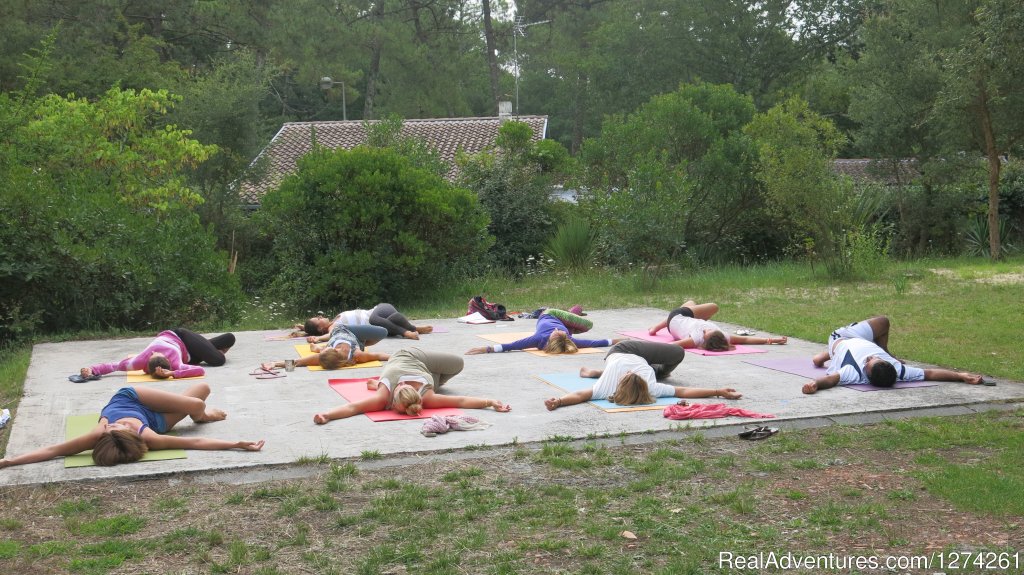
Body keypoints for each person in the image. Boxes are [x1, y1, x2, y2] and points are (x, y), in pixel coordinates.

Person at [0, 384, 264, 468]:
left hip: (133, 397)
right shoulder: (152, 436)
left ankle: (200, 414)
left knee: (197, 400)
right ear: (137, 437)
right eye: (123, 427)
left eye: (115, 425)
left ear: (104, 433)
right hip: (156, 421)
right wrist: (237, 444)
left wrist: (9, 461)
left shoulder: (96, 434)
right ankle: (201, 415)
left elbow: (53, 450)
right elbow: (195, 443)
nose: (120, 423)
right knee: (199, 399)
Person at [313, 348, 511, 424]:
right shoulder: (425, 398)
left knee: (458, 363)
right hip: (417, 366)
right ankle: (377, 383)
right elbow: (352, 407)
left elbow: (354, 407)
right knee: (437, 383)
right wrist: (327, 415)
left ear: (391, 400)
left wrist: (492, 402)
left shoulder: (386, 397)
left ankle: (377, 383)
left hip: (417, 363)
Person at [802, 316, 984, 394]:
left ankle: (829, 353)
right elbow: (930, 373)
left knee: (818, 361)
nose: (869, 358)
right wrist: (961, 376)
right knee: (883, 322)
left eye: (868, 362)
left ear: (867, 374)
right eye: (875, 358)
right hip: (863, 339)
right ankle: (829, 355)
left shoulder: (854, 373)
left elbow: (831, 380)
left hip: (841, 339)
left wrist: (815, 384)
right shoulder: (899, 370)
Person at [543, 340, 742, 410]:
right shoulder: (652, 387)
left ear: (619, 385)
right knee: (673, 358)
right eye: (631, 374)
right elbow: (684, 390)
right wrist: (718, 391)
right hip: (634, 355)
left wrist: (559, 401)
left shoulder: (605, 390)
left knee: (676, 354)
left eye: (627, 375)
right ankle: (597, 371)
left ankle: (598, 372)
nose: (629, 372)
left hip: (623, 352)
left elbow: (579, 396)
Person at [79, 328, 236, 380]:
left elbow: (113, 366)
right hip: (187, 355)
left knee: (217, 359)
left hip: (181, 337)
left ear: (150, 355)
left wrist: (92, 369)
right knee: (226, 346)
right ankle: (205, 347)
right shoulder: (175, 363)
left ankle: (204, 347)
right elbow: (200, 370)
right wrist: (174, 373)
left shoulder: (139, 361)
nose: (154, 351)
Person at [648, 300, 787, 351]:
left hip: (676, 317)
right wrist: (771, 340)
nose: (707, 328)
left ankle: (657, 326)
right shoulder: (723, 336)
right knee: (696, 309)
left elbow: (673, 345)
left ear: (704, 339)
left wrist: (647, 348)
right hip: (681, 322)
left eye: (705, 332)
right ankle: (658, 326)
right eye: (709, 329)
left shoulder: (696, 338)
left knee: (697, 304)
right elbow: (745, 340)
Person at [466, 308, 616, 355]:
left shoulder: (537, 338)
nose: (556, 329)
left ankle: (575, 310)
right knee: (587, 325)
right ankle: (575, 310)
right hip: (553, 314)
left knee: (576, 323)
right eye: (560, 332)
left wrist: (486, 349)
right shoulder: (570, 340)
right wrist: (622, 341)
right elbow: (597, 342)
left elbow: (512, 346)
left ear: (551, 339)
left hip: (550, 316)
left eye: (557, 332)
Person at [264, 323, 390, 371]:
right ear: (335, 350)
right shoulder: (357, 355)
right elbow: (379, 356)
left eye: (325, 349)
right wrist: (400, 357)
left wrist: (275, 364)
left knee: (321, 347)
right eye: (326, 349)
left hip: (343, 329)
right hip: (356, 340)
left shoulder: (323, 356)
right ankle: (317, 346)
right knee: (382, 332)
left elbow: (297, 362)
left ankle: (316, 347)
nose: (326, 349)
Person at [295, 303, 432, 340]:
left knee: (373, 319)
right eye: (318, 320)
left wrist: (303, 327)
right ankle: (414, 328)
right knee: (392, 325)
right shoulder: (335, 327)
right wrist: (317, 339)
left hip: (381, 310)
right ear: (320, 329)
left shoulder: (334, 320)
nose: (320, 317)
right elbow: (330, 335)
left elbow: (316, 329)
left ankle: (408, 332)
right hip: (386, 321)